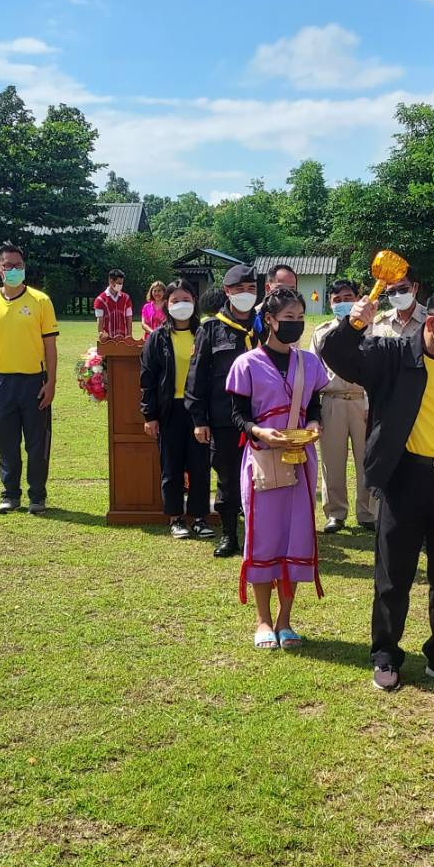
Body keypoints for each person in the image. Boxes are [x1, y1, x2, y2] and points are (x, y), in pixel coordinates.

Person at [320, 280, 434, 693]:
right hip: (404, 478)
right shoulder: (392, 354)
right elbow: (337, 355)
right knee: (393, 575)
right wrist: (353, 325)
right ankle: (385, 654)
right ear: (432, 324)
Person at [226, 286, 328, 648]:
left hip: (300, 460)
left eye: (300, 317)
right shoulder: (246, 364)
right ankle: (263, 620)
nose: (295, 324)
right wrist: (259, 431)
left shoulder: (310, 363)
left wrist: (313, 425)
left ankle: (285, 620)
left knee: (296, 535)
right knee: (264, 537)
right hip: (262, 461)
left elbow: (314, 406)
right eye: (288, 318)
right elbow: (237, 414)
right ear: (269, 320)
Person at [0, 243, 58, 515]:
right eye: (9, 266)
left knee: (37, 443)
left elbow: (50, 346)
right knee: (7, 442)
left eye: (19, 266)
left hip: (35, 382)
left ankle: (37, 496)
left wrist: (51, 383)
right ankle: (10, 494)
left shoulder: (41, 301)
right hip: (2, 383)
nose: (14, 270)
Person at [186, 263, 260, 558]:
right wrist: (199, 419)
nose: (246, 294)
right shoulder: (210, 329)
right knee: (227, 478)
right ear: (227, 291)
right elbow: (197, 376)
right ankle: (230, 535)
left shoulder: (266, 325)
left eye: (251, 289)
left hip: (262, 417)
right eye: (240, 289)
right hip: (224, 418)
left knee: (264, 478)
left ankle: (261, 536)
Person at [140, 279, 213, 539]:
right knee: (171, 466)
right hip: (169, 409)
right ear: (166, 304)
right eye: (175, 300)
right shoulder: (157, 337)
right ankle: (175, 518)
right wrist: (150, 415)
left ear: (195, 302)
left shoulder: (204, 334)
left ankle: (200, 517)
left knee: (200, 465)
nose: (181, 305)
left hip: (199, 411)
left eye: (186, 300)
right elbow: (147, 378)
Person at [312, 278, 373, 534]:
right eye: (337, 300)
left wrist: (372, 402)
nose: (343, 303)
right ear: (330, 303)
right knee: (332, 461)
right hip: (333, 401)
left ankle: (368, 512)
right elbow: (314, 372)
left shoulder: (372, 329)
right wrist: (315, 412)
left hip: (363, 401)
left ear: (358, 299)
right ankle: (335, 513)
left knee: (367, 459)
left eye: (348, 298)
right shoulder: (322, 332)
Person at [370, 265, 427, 339]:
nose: (397, 295)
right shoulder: (380, 323)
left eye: (403, 289)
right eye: (391, 292)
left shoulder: (432, 320)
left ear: (415, 287)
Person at [93, 270, 133, 340]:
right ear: (111, 281)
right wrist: (101, 335)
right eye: (119, 283)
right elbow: (100, 320)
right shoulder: (100, 300)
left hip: (123, 339)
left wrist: (129, 336)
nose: (120, 285)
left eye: (122, 283)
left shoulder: (126, 298)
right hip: (108, 339)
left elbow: (129, 318)